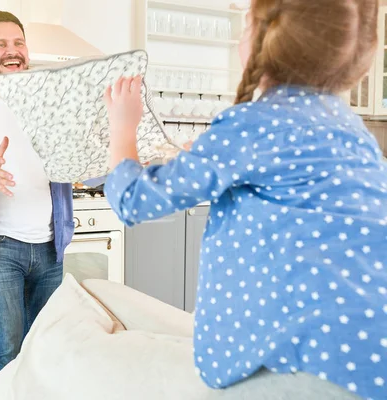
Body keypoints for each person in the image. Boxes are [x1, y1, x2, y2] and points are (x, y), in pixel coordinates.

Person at [103, 0, 386, 399]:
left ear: (258, 41)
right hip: (372, 358)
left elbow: (133, 200)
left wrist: (122, 127)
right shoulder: (356, 135)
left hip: (297, 363)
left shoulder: (250, 124)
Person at [0, 10, 103, 389]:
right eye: (0, 45)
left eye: (18, 43)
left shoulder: (52, 110)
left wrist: (119, 153)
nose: (12, 52)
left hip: (49, 248)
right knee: (5, 349)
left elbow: (91, 172)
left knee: (45, 347)